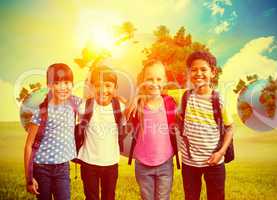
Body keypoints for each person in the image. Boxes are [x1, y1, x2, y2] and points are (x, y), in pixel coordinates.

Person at [179, 51, 234, 200]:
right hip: (189, 163)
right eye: (194, 69)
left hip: (214, 162)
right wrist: (138, 97)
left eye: (203, 69)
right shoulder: (184, 96)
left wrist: (221, 152)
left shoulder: (219, 100)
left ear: (213, 72)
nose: (198, 73)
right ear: (189, 72)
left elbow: (230, 128)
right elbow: (156, 91)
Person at [24, 63, 80, 200]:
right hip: (41, 168)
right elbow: (29, 145)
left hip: (63, 168)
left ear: (72, 84)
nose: (63, 87)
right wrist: (29, 178)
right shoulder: (41, 112)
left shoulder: (75, 103)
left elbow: (97, 101)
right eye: (57, 83)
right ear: (49, 86)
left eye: (67, 82)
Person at [127, 60, 180, 200]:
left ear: (165, 81)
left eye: (159, 79)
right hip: (143, 164)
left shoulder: (170, 102)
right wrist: (137, 97)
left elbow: (189, 94)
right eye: (149, 79)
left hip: (165, 162)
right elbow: (124, 116)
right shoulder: (138, 105)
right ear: (143, 81)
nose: (154, 83)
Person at [77, 66, 125, 200]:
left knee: (109, 196)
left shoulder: (120, 107)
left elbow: (125, 127)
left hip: (111, 163)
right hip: (88, 162)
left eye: (108, 85)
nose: (103, 90)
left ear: (115, 88)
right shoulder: (85, 106)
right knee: (91, 197)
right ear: (91, 87)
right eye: (98, 85)